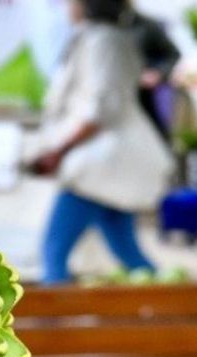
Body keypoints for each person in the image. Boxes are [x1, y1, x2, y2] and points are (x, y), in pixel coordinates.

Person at [30, 0, 174, 285]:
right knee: (127, 250)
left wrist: (59, 151)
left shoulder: (102, 40)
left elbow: (101, 108)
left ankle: (54, 323)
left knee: (54, 248)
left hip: (97, 163)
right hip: (108, 162)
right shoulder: (106, 37)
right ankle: (171, 311)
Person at [127, 7, 181, 139]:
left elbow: (173, 54)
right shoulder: (100, 26)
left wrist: (157, 74)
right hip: (114, 93)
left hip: (141, 94)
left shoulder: (145, 25)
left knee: (154, 136)